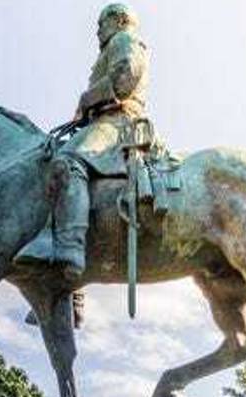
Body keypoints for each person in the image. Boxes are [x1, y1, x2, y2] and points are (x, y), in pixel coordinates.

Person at [14, 3, 150, 279]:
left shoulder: (125, 39)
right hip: (101, 121)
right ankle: (73, 294)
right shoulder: (109, 48)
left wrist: (85, 101)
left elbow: (126, 76)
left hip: (117, 121)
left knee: (68, 162)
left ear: (119, 20)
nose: (98, 30)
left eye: (102, 23)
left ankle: (70, 248)